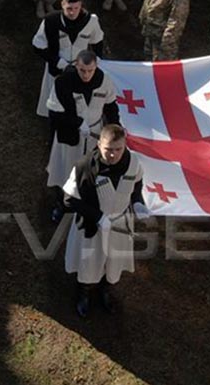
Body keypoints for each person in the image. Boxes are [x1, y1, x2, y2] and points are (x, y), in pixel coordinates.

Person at [63, 124, 148, 317]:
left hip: (120, 224)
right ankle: (83, 292)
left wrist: (137, 202)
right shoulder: (84, 167)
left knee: (114, 260)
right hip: (94, 226)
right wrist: (98, 217)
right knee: (89, 261)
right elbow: (69, 200)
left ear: (125, 145)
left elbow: (137, 183)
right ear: (99, 144)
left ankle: (105, 289)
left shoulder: (133, 162)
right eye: (108, 150)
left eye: (118, 149)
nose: (113, 155)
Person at [45, 50, 120, 221]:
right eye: (82, 70)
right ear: (76, 66)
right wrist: (77, 123)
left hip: (95, 136)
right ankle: (62, 205)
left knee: (90, 173)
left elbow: (110, 107)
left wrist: (114, 129)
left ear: (96, 67)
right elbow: (54, 114)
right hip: (69, 137)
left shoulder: (104, 81)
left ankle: (86, 205)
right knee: (66, 171)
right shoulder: (63, 83)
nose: (86, 75)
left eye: (90, 70)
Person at [33, 0, 104, 116]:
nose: (72, 12)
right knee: (55, 102)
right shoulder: (51, 21)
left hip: (82, 69)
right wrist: (58, 63)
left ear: (81, 5)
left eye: (76, 8)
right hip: (57, 69)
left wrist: (96, 61)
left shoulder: (91, 21)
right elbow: (38, 46)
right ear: (62, 5)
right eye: (69, 8)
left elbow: (97, 41)